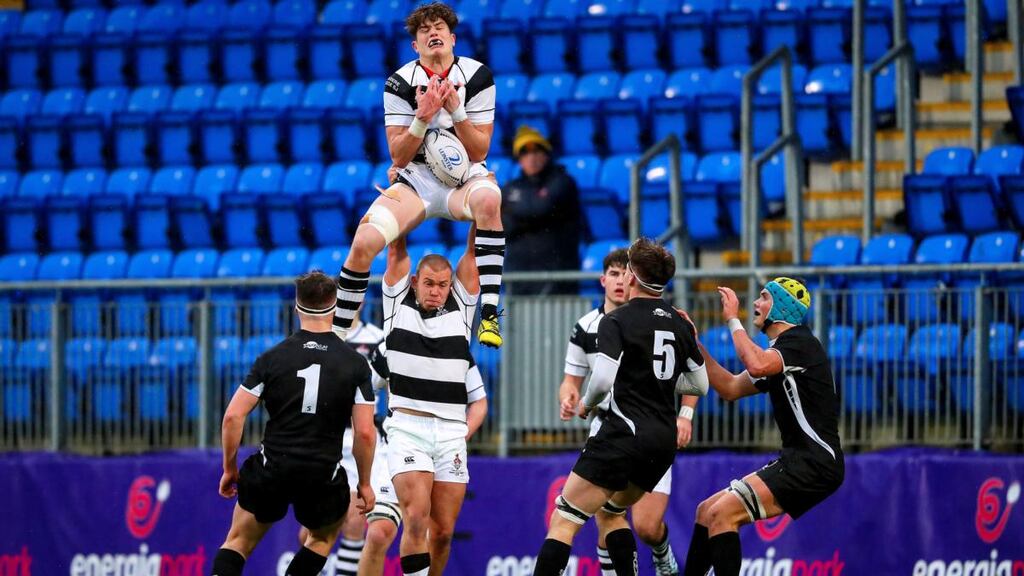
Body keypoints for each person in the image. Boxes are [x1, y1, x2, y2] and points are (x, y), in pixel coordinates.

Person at [333, 1, 506, 349]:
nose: (432, 33)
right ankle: (336, 340)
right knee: (364, 242)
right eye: (424, 30)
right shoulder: (398, 83)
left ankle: (488, 315)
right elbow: (397, 154)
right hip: (418, 178)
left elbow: (479, 151)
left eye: (439, 27)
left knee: (490, 198)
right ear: (415, 45)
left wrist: (456, 110)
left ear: (453, 38)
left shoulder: (477, 76)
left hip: (465, 179)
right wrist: (422, 117)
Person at [534, 238, 709, 576]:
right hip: (661, 441)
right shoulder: (679, 322)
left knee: (564, 519)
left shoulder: (616, 321)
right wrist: (661, 384)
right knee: (612, 513)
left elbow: (601, 380)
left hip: (622, 433)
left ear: (632, 277)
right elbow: (700, 384)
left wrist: (586, 403)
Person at [211, 271, 377, 576]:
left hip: (273, 465)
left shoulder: (272, 358)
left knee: (237, 541)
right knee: (320, 539)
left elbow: (233, 416)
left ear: (297, 308)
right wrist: (365, 483)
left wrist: (229, 468)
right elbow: (365, 433)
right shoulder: (355, 363)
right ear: (336, 306)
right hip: (321, 472)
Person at [680, 278, 844, 576]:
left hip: (814, 463)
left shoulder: (799, 344)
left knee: (722, 514)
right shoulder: (780, 354)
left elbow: (756, 364)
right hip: (798, 460)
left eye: (764, 297)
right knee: (706, 511)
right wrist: (693, 344)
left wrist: (732, 319)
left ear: (781, 308)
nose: (755, 303)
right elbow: (729, 387)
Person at [379, 229, 488, 576]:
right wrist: (406, 190)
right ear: (415, 282)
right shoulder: (396, 305)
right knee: (415, 517)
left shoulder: (462, 308)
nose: (436, 291)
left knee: (442, 533)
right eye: (429, 284)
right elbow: (396, 247)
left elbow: (474, 249)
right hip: (408, 428)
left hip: (452, 433)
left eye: (443, 285)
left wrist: (477, 199)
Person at [357, 340, 489, 576]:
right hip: (398, 444)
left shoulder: (455, 346)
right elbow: (364, 389)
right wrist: (366, 427)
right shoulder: (391, 345)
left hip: (446, 447)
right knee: (381, 531)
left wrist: (460, 435)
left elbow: (479, 401)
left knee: (441, 535)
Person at [297, 302, 385, 576]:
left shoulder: (378, 338)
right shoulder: (320, 342)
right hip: (326, 438)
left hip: (360, 436)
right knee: (310, 531)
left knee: (355, 522)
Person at [502, 125, 582, 295]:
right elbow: (503, 225)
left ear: (547, 153)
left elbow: (542, 208)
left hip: (557, 276)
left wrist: (515, 212)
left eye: (537, 151)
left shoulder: (563, 182)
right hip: (519, 276)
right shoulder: (511, 187)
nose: (531, 157)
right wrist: (530, 215)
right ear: (519, 159)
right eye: (524, 152)